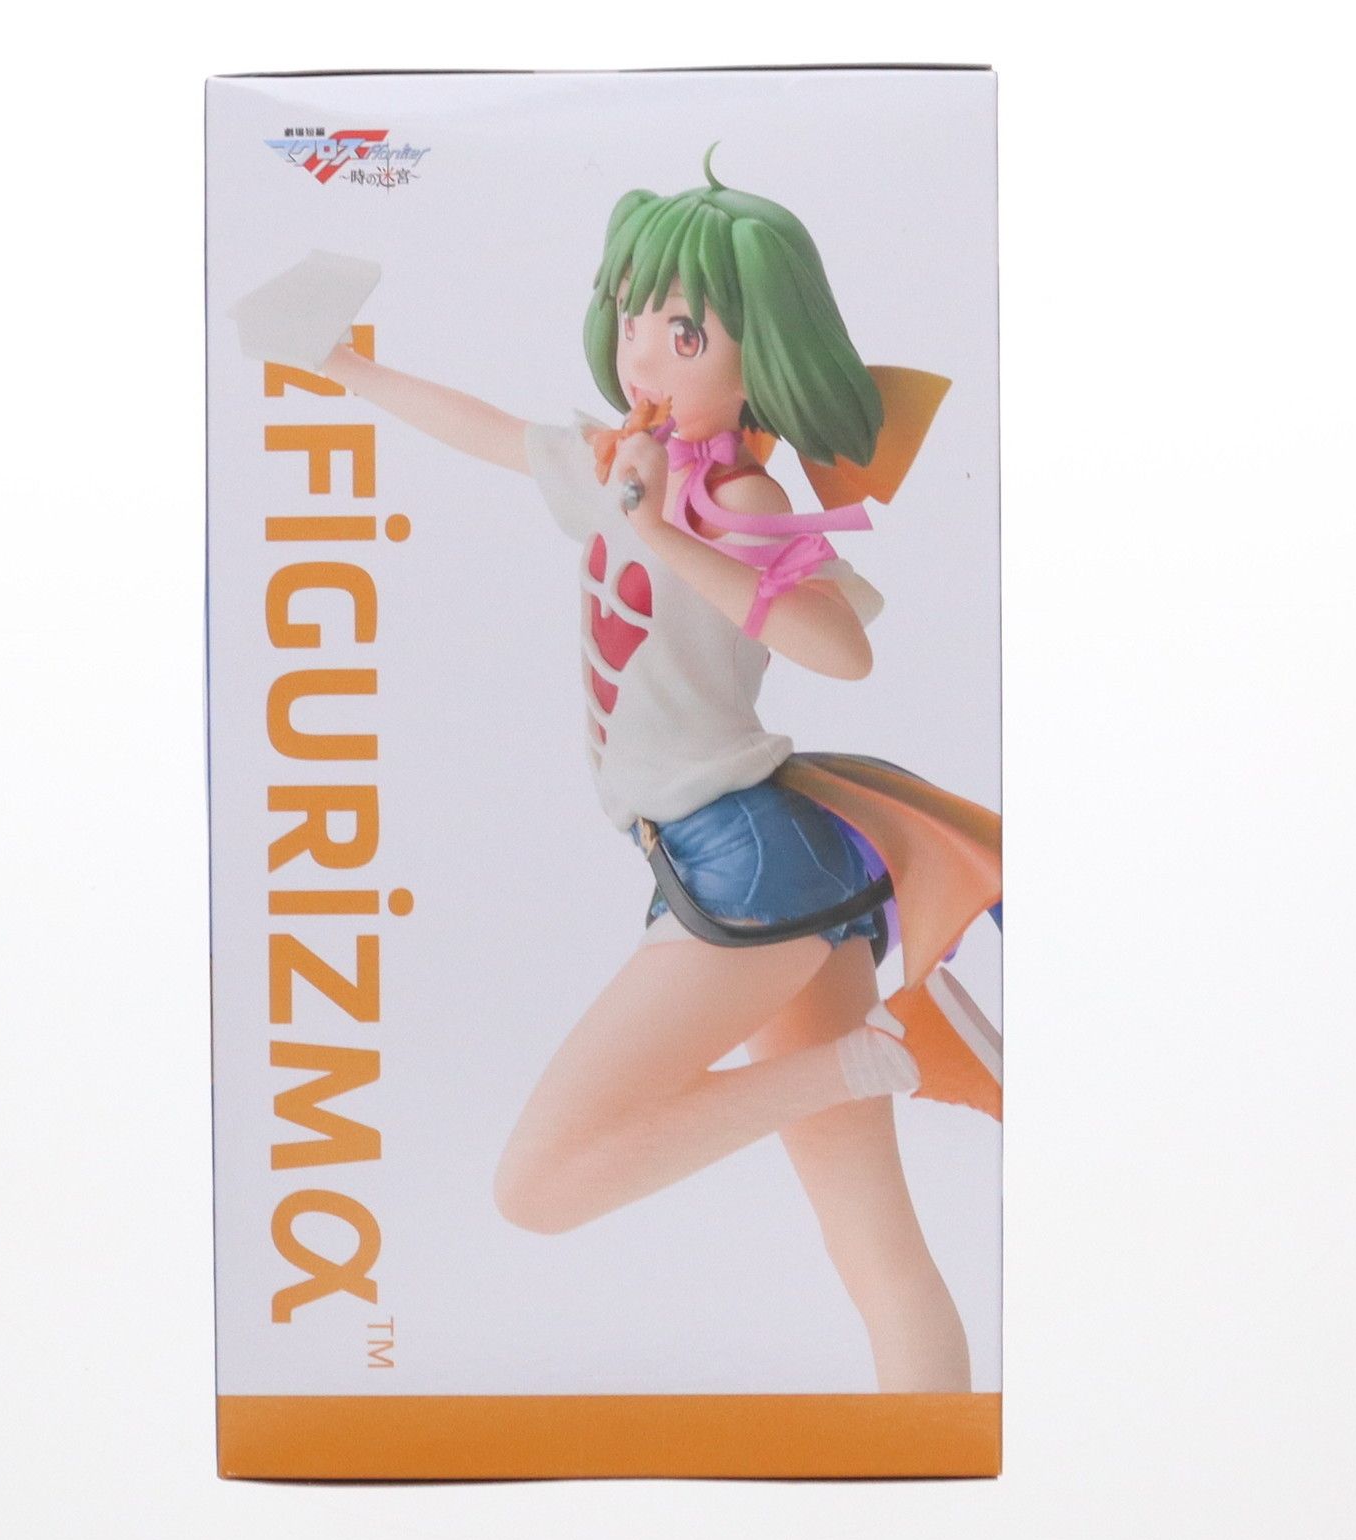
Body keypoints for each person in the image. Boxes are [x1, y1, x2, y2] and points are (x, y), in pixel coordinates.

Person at [318, 149, 1000, 1391]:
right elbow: (486, 429)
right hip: (733, 858)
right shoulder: (623, 460)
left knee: (539, 1185)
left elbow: (838, 649)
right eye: (633, 317)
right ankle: (932, 1452)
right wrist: (347, 368)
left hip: (744, 865)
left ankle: (880, 1055)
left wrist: (658, 532)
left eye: (684, 334)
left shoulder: (735, 491)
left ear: (758, 355)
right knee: (876, 1249)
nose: (644, 355)